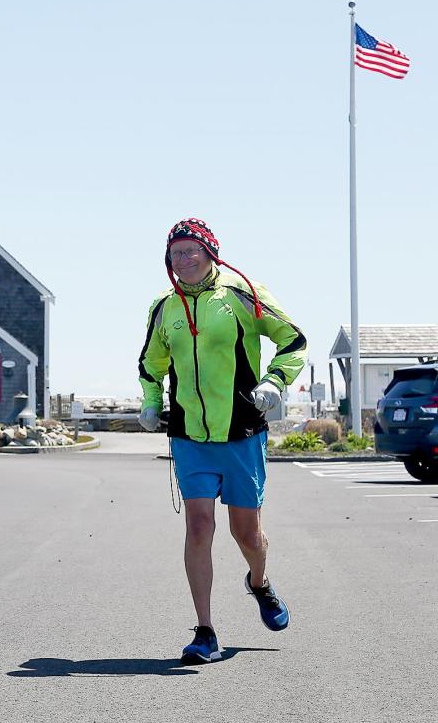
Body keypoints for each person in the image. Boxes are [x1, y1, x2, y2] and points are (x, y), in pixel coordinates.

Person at [137, 218, 307, 665]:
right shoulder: (163, 306)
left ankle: (259, 583)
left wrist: (274, 382)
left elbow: (294, 341)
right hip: (189, 434)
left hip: (241, 432)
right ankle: (205, 631)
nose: (184, 260)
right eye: (176, 253)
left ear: (212, 253)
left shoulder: (241, 293)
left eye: (192, 251)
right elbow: (150, 364)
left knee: (246, 533)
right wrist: (152, 401)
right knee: (198, 526)